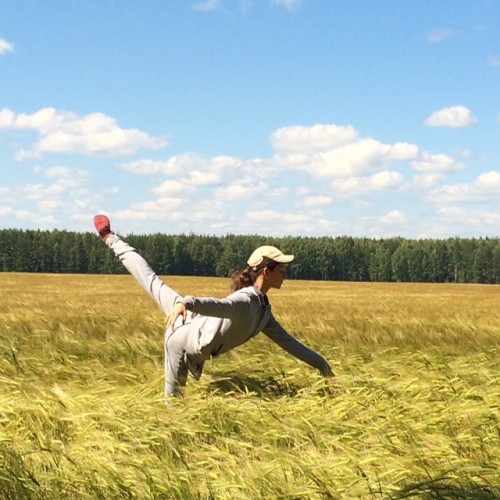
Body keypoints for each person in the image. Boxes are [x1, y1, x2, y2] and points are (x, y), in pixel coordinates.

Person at [94, 214, 333, 397]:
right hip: (181, 336)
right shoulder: (246, 300)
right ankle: (110, 238)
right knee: (172, 408)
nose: (285, 275)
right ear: (266, 272)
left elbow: (289, 343)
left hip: (190, 318)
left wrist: (322, 365)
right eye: (281, 270)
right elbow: (219, 305)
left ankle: (108, 236)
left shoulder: (263, 311)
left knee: (151, 279)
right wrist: (186, 303)